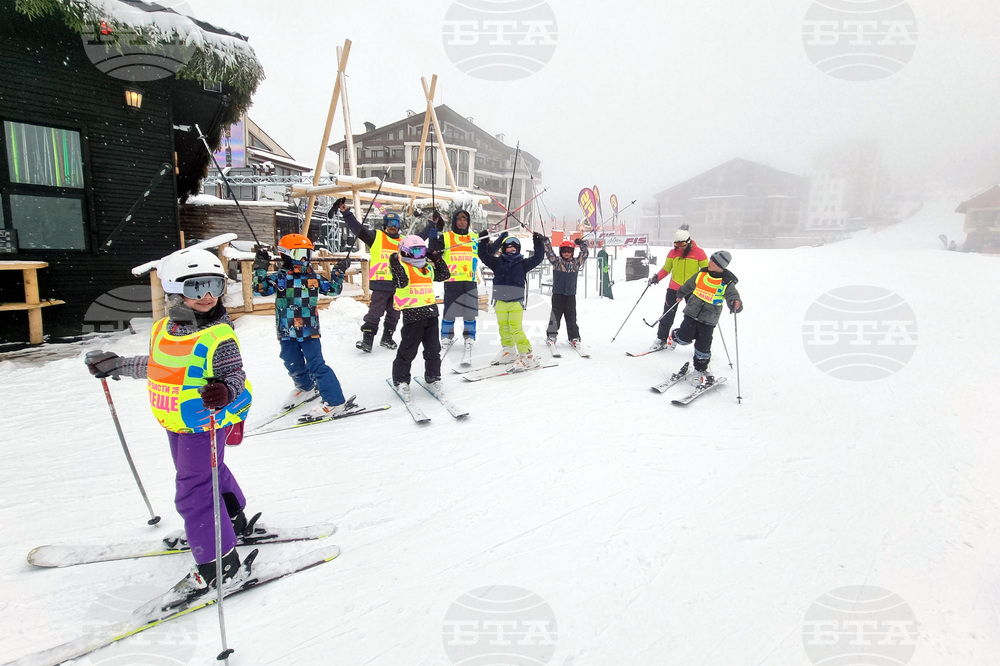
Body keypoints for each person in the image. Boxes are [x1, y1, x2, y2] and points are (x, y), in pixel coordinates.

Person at [84, 248, 255, 606]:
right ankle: (233, 519)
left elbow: (236, 376)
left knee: (193, 491)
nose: (207, 295)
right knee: (208, 473)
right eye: (196, 287)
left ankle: (219, 564)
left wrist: (225, 390)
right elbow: (158, 366)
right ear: (175, 290)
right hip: (176, 420)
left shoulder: (219, 334)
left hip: (205, 424)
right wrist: (118, 365)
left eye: (215, 286)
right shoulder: (165, 328)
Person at [252, 233, 351, 421]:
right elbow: (260, 290)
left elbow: (333, 290)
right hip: (286, 329)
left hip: (308, 330)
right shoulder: (280, 278)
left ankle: (335, 401)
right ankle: (305, 387)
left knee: (316, 365)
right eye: (298, 254)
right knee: (291, 361)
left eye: (307, 253)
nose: (304, 259)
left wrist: (338, 271)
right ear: (285, 255)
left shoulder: (313, 277)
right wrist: (261, 268)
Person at [336, 197, 401, 352]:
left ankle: (387, 337)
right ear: (385, 225)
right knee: (374, 313)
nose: (393, 227)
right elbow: (358, 229)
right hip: (381, 284)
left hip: (399, 284)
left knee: (394, 314)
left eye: (396, 223)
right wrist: (346, 213)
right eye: (390, 223)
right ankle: (367, 340)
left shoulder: (404, 242)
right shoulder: (376, 237)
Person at [477, 230, 547, 370]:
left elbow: (538, 257)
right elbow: (483, 255)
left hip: (516, 302)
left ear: (518, 249)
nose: (511, 250)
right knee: (503, 328)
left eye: (514, 247)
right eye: (508, 247)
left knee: (516, 329)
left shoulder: (523, 263)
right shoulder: (496, 263)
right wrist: (483, 241)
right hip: (500, 302)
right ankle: (509, 351)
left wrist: (538, 243)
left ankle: (527, 355)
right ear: (503, 249)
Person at [670, 250, 743, 385]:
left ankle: (700, 370)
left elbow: (733, 296)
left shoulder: (727, 282)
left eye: (713, 262)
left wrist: (735, 303)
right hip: (692, 313)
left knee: (703, 346)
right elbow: (689, 285)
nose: (709, 263)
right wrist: (680, 294)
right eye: (710, 260)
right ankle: (675, 335)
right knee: (684, 338)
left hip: (709, 319)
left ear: (720, 265)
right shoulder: (701, 274)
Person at [388, 235, 450, 394]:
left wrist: (436, 258)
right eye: (416, 251)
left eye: (422, 251)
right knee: (408, 350)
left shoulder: (426, 268)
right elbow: (401, 282)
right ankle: (401, 379)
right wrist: (394, 263)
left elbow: (444, 275)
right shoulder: (403, 267)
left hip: (430, 313)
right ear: (406, 252)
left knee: (433, 349)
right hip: (413, 314)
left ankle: (433, 376)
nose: (420, 255)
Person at [428, 208, 479, 357]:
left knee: (469, 312)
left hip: (469, 281)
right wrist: (432, 237)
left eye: (465, 219)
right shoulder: (447, 237)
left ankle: (469, 337)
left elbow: (487, 252)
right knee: (450, 311)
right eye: (459, 219)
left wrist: (500, 239)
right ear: (455, 221)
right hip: (452, 281)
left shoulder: (474, 237)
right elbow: (434, 251)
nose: (462, 221)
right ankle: (446, 337)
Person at [647, 228, 708, 350]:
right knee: (667, 315)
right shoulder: (672, 253)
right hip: (674, 289)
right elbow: (666, 269)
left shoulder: (699, 253)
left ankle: (689, 341)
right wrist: (657, 277)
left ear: (688, 242)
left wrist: (707, 287)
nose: (679, 247)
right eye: (676, 244)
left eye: (682, 244)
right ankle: (661, 339)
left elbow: (706, 271)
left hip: (692, 290)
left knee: (693, 317)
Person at [543, 236, 588, 345]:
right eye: (564, 251)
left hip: (570, 295)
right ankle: (551, 335)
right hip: (558, 295)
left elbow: (584, 254)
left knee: (571, 317)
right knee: (555, 316)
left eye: (569, 251)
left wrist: (582, 244)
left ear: (572, 252)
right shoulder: (557, 262)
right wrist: (546, 242)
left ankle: (574, 337)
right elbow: (549, 252)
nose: (566, 253)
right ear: (561, 252)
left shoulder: (576, 263)